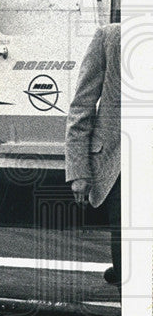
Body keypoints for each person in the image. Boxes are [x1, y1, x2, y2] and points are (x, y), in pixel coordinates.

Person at [65, 22, 122, 287]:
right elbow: (82, 106)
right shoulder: (111, 37)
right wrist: (79, 171)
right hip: (121, 168)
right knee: (129, 255)